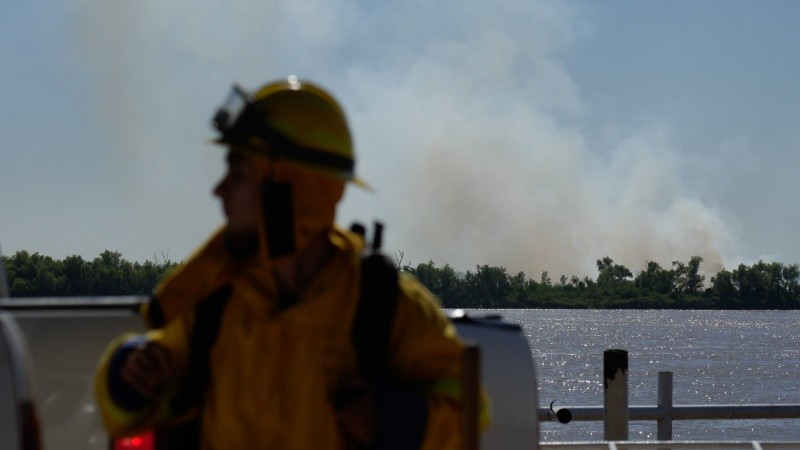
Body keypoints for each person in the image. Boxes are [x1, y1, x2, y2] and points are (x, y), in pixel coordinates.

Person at [94, 76, 488, 450]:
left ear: (288, 186)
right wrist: (129, 373)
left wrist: (390, 419)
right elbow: (128, 406)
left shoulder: (382, 305)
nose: (219, 190)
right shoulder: (215, 300)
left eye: (239, 170)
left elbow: (469, 412)